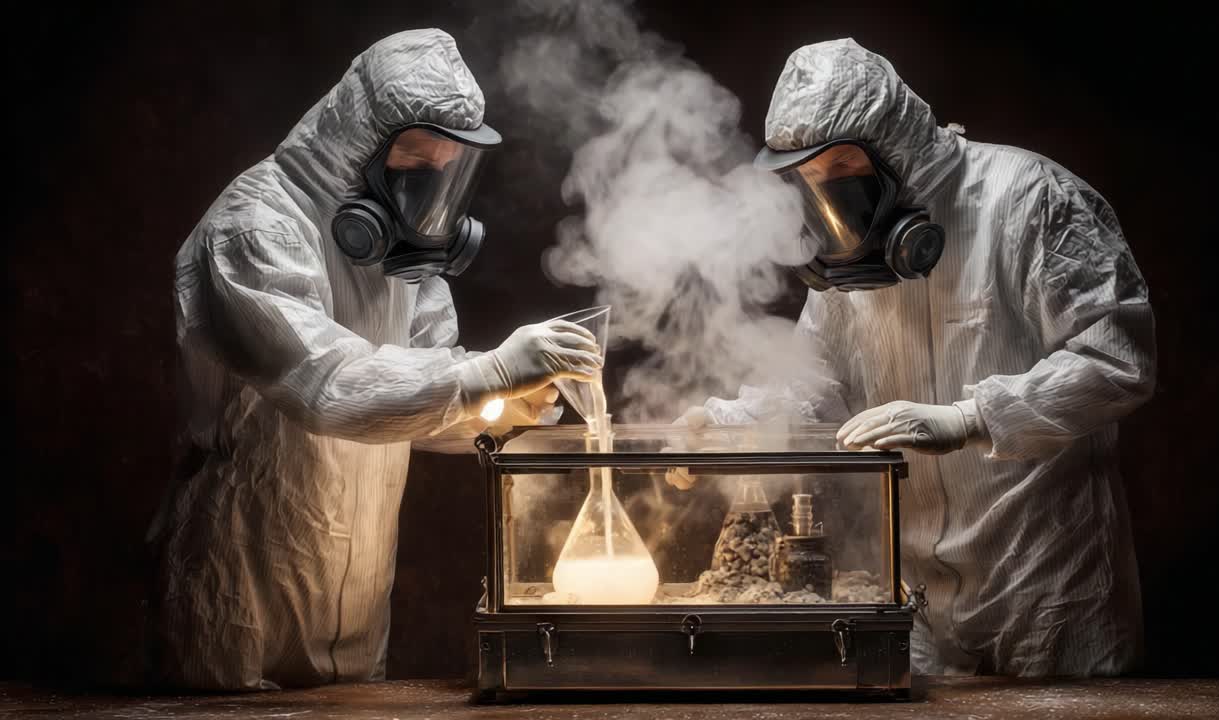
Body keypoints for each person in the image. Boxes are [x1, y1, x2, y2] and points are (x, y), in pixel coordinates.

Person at [670, 38, 1156, 677]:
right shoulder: (850, 257)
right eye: (810, 178)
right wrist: (730, 425)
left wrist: (971, 417)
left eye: (843, 169)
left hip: (1050, 585)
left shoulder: (1032, 199)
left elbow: (1116, 360)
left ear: (892, 144)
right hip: (915, 596)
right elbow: (816, 384)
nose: (829, 194)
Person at [144, 29, 602, 691]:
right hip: (237, 616)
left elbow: (413, 402)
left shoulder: (400, 262)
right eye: (415, 168)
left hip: (354, 624)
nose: (428, 195)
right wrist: (486, 373)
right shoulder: (254, 228)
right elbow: (325, 383)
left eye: (446, 174)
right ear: (359, 143)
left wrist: (506, 407)